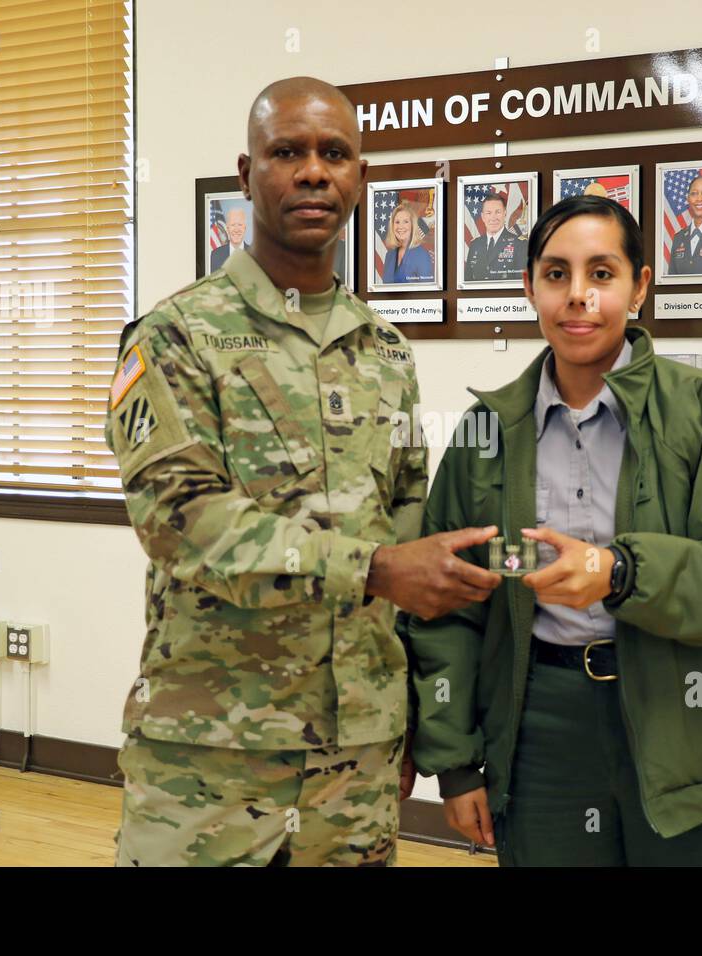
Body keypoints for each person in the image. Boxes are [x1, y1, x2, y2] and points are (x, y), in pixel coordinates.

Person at [105, 76, 502, 866]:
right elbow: (183, 526)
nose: (313, 171)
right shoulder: (178, 336)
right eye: (287, 152)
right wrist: (377, 569)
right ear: (247, 175)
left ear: (362, 178)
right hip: (211, 764)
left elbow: (412, 534)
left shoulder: (384, 352)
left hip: (357, 759)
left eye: (334, 154)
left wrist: (416, 726)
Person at [407, 194, 702, 866]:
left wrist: (620, 573)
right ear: (530, 286)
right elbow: (445, 612)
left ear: (639, 287)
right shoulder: (484, 437)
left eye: (602, 273)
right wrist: (456, 763)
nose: (578, 296)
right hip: (541, 740)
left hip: (689, 738)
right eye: (556, 274)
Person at [464, 191, 526, 282]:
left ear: (505, 214)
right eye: (489, 213)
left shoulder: (520, 244)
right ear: (483, 217)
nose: (493, 218)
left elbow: (521, 282)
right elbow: (468, 280)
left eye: (498, 212)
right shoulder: (475, 245)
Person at [381, 203, 433, 282]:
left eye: (406, 222)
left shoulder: (422, 255)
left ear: (413, 225)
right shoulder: (389, 255)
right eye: (397, 222)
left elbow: (427, 290)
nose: (400, 226)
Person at [209, 206, 250, 272]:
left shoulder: (255, 256)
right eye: (233, 225)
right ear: (227, 229)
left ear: (245, 228)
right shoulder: (215, 255)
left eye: (240, 225)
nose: (236, 229)